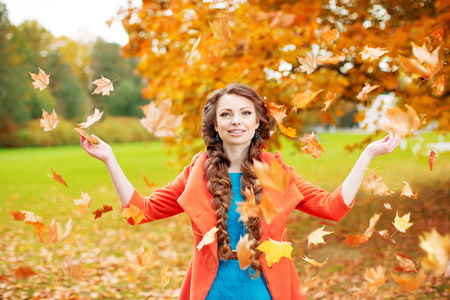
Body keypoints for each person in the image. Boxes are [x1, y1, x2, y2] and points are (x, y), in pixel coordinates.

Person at [79, 83, 401, 300]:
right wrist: (110, 160)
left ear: (258, 123)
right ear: (215, 126)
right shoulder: (196, 171)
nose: (237, 121)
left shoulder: (276, 172)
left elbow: (333, 207)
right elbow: (142, 212)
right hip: (211, 293)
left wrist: (367, 155)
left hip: (267, 293)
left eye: (246, 113)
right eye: (226, 114)